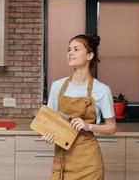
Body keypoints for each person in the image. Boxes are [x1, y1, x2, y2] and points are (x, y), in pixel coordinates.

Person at [42, 34, 116, 180]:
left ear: (89, 55)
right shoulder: (57, 86)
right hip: (62, 159)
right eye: (68, 50)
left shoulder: (102, 90)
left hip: (89, 163)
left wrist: (88, 126)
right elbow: (48, 121)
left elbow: (111, 127)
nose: (70, 53)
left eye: (76, 49)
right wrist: (48, 134)